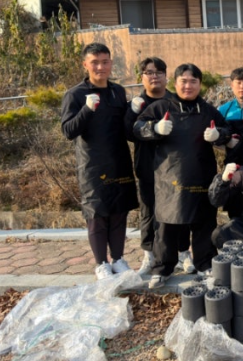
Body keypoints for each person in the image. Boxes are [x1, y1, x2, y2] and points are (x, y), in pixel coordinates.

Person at [134, 63, 231, 289]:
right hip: (169, 175)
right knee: (166, 223)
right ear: (175, 83)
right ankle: (162, 268)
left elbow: (227, 132)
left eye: (193, 81)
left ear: (200, 84)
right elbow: (137, 127)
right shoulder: (160, 107)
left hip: (201, 173)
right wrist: (154, 128)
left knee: (203, 221)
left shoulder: (207, 110)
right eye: (183, 81)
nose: (188, 86)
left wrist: (218, 135)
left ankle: (205, 263)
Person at [61, 42, 138, 280]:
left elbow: (125, 127)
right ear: (85, 64)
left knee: (119, 212)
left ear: (110, 63)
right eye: (94, 62)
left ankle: (118, 259)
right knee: (97, 215)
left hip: (119, 161)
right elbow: (68, 131)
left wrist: (134, 111)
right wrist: (86, 110)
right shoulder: (75, 94)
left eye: (105, 62)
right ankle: (101, 264)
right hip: (92, 165)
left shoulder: (118, 91)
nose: (100, 67)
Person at [124, 57, 195, 276]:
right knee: (148, 212)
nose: (154, 76)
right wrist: (133, 113)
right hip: (148, 165)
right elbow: (128, 133)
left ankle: (183, 252)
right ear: (142, 77)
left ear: (166, 76)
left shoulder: (177, 100)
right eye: (149, 72)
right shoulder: (137, 104)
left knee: (179, 209)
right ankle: (150, 254)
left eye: (158, 72)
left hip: (174, 167)